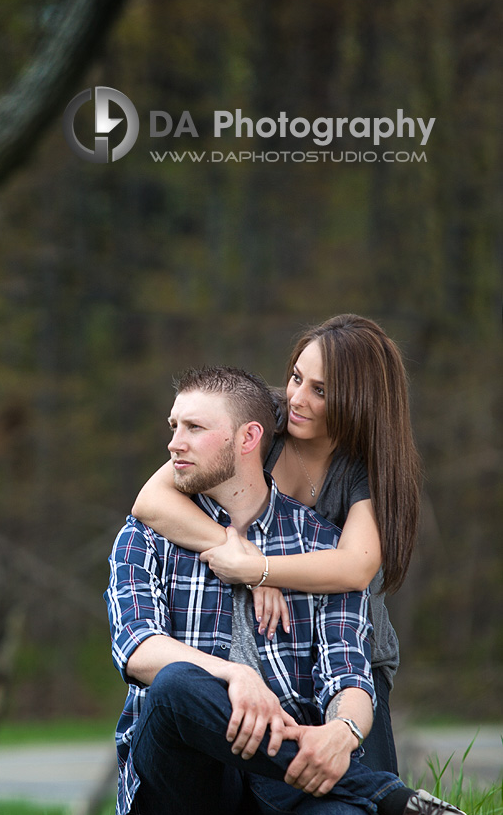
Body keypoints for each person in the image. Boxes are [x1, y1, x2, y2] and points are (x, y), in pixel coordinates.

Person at [105, 365, 498, 815]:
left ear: (249, 438)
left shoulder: (316, 545)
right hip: (185, 788)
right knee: (174, 684)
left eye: (193, 428)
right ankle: (382, 794)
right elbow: (136, 648)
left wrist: (341, 733)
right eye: (172, 426)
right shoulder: (146, 533)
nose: (173, 442)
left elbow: (350, 676)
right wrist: (230, 675)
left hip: (282, 779)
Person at [131, 314, 421, 776]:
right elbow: (151, 501)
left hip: (344, 651)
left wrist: (265, 569)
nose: (297, 398)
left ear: (360, 401)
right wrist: (241, 552)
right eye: (296, 377)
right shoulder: (265, 419)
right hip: (266, 641)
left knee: (359, 792)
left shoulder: (368, 469)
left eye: (320, 391)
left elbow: (355, 568)